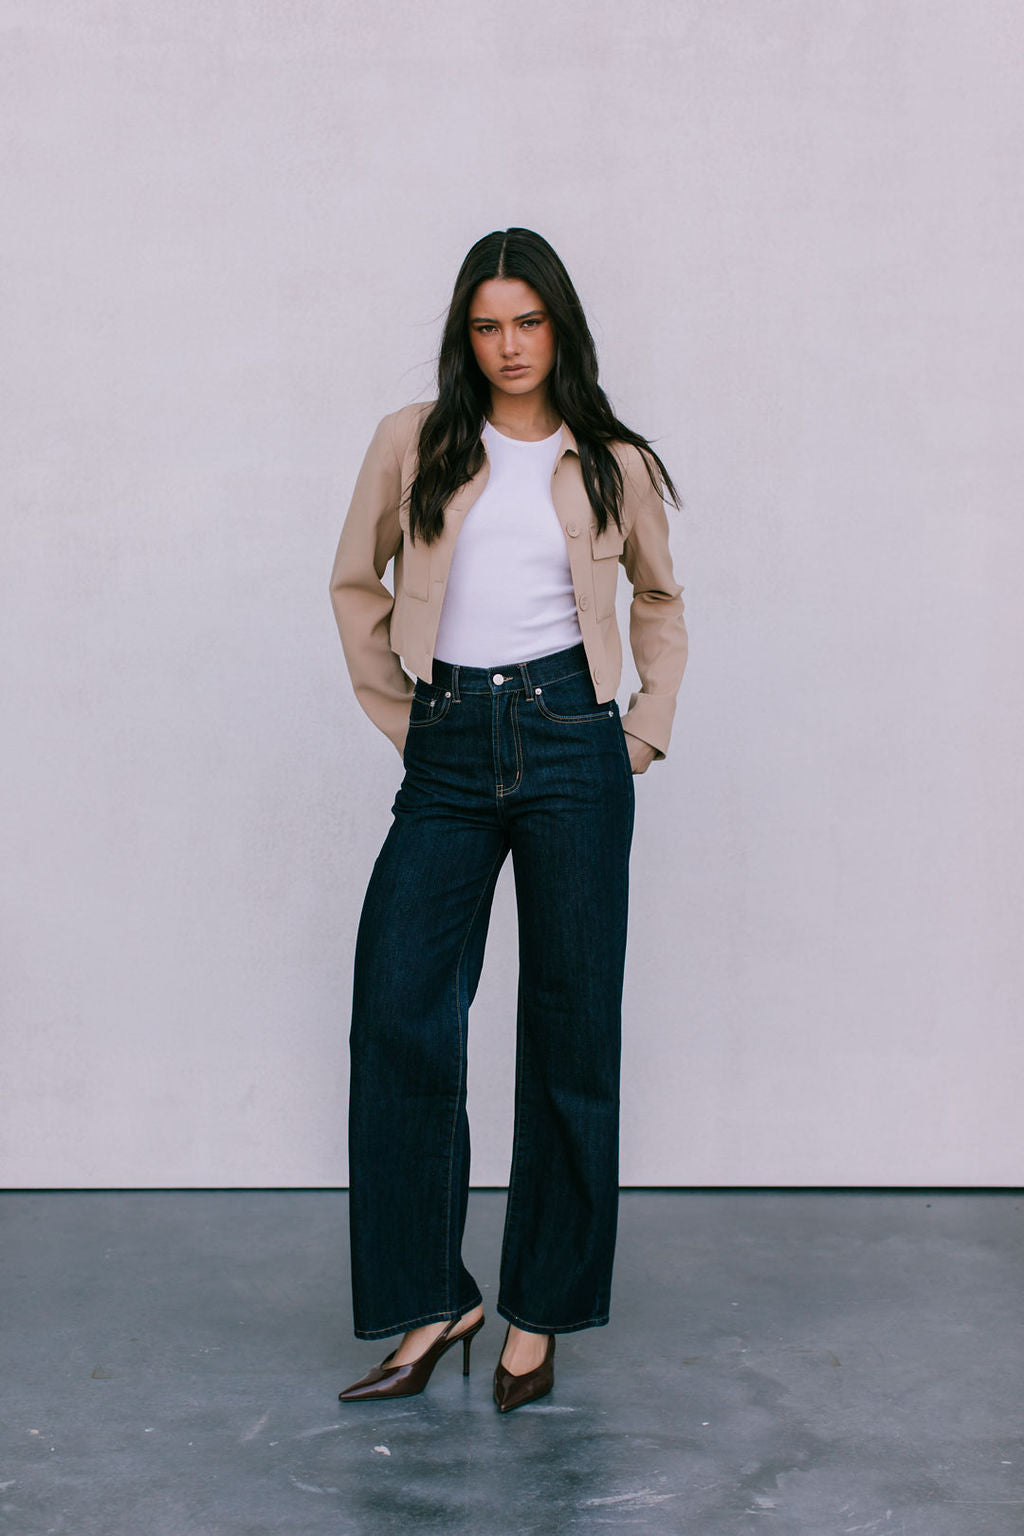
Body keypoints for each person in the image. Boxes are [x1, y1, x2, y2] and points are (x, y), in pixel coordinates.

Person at [329, 227, 688, 1412]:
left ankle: (538, 1314)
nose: (508, 345)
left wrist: (640, 731)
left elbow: (659, 599)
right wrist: (405, 715)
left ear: (559, 327)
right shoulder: (416, 441)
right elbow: (353, 581)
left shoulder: (610, 459)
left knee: (572, 1032)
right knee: (398, 1010)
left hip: (574, 743)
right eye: (487, 325)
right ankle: (434, 1296)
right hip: (450, 741)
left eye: (526, 322)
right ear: (464, 335)